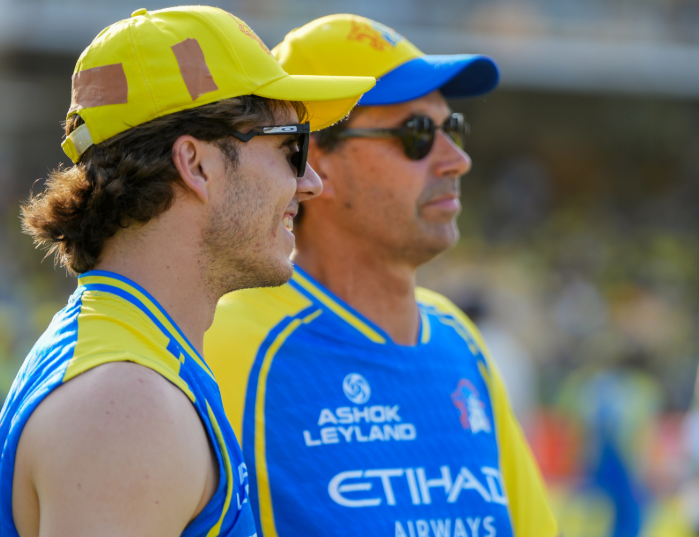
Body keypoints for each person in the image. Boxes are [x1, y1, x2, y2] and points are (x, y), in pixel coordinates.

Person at [0, 7, 374, 537]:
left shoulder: (129, 362)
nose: (311, 183)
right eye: (291, 148)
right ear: (196, 164)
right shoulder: (128, 407)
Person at [205, 14, 559, 537]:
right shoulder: (223, 342)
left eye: (452, 128)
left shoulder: (459, 339)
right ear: (314, 159)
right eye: (417, 134)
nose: (457, 159)